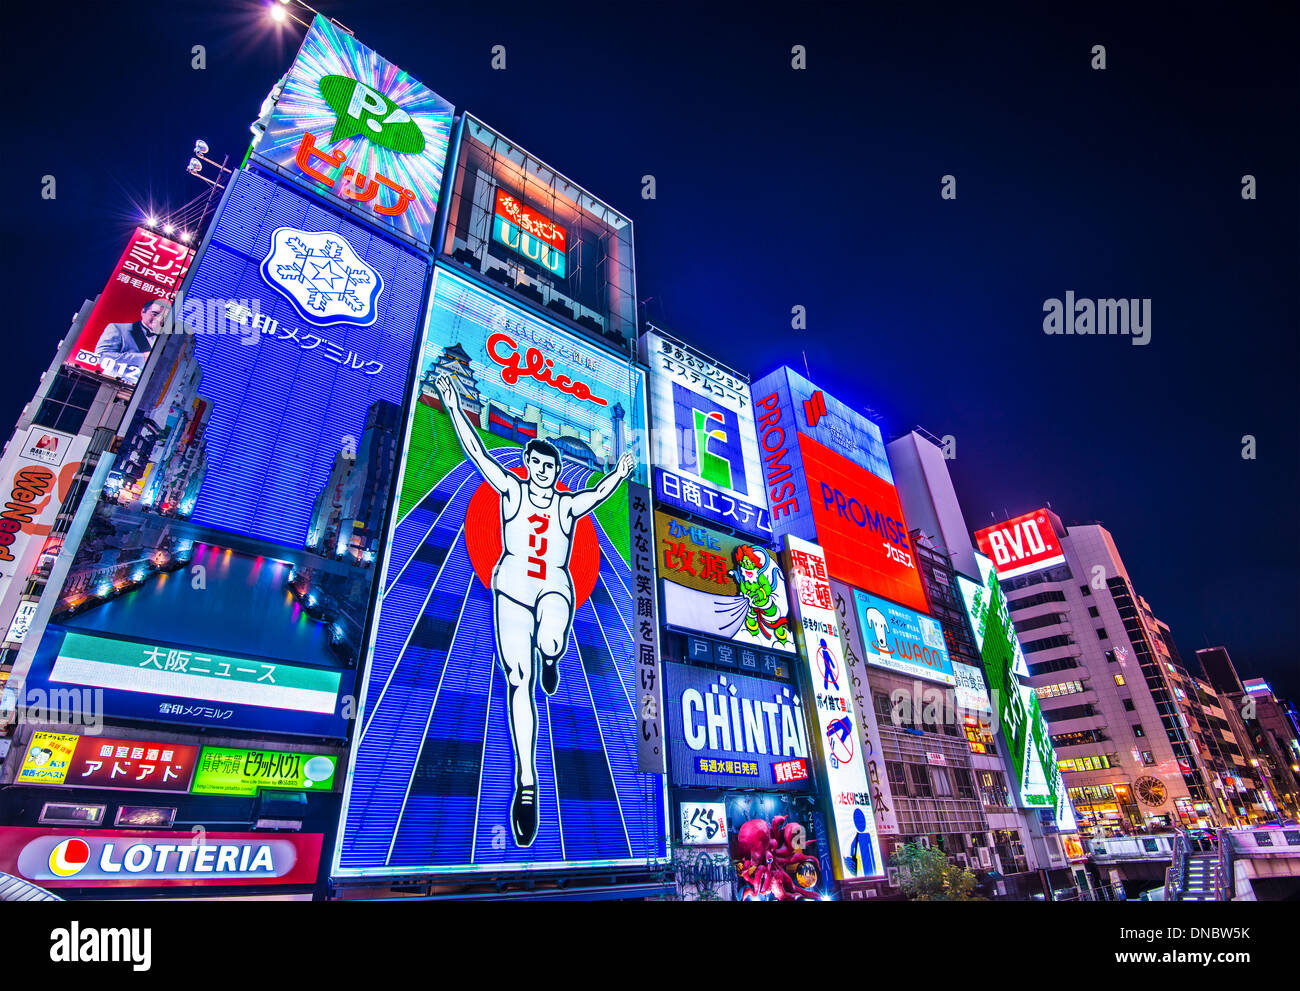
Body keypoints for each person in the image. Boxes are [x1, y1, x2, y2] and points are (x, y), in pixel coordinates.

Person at [434, 373, 634, 846]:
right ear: (528, 464)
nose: (544, 470)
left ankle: (551, 655)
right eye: (538, 462)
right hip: (512, 591)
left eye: (551, 465)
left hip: (554, 590)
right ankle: (527, 784)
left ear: (558, 470)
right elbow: (477, 454)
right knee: (517, 683)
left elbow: (598, 495)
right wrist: (452, 403)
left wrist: (621, 473)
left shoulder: (566, 505)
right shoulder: (512, 492)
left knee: (551, 638)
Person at [93, 298, 172, 378]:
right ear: (143, 312)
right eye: (155, 314)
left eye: (164, 317)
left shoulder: (167, 341)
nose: (159, 319)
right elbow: (101, 356)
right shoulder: (118, 328)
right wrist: (143, 357)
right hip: (112, 382)